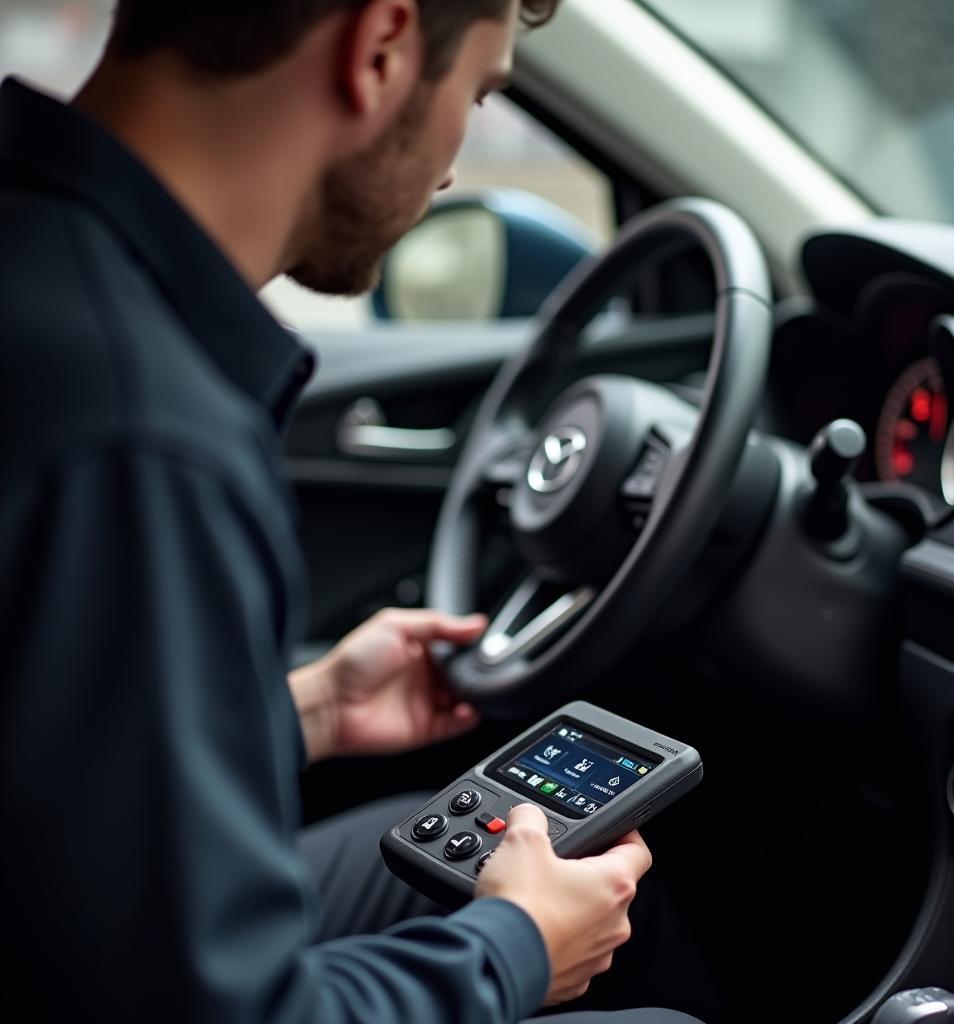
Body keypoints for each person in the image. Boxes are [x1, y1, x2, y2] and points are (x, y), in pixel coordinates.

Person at [0, 2, 708, 1022]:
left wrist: (310, 711)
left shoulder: (46, 269)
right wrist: (512, 949)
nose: (458, 158)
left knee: (408, 845)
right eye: (479, 90)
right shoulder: (142, 433)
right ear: (380, 48)